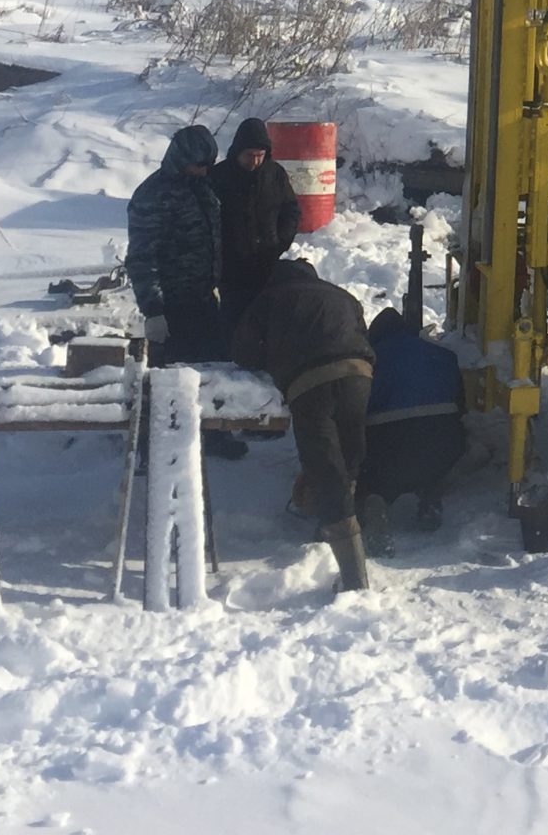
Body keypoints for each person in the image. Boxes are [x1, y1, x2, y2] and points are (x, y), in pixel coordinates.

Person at [232, 257, 376, 591]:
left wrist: (276, 354)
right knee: (349, 455)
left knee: (324, 465)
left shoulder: (269, 299)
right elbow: (363, 334)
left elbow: (243, 351)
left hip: (310, 384)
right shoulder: (341, 295)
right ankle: (341, 521)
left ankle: (354, 578)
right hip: (358, 376)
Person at [126, 124, 249, 461]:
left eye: (207, 165)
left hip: (203, 298)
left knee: (213, 370)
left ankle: (214, 434)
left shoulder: (201, 186)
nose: (204, 170)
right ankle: (157, 448)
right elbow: (141, 257)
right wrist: (153, 310)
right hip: (172, 304)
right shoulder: (153, 195)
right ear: (182, 160)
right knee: (170, 379)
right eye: (199, 164)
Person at [360, 306, 465, 540]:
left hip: (391, 442)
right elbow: (461, 403)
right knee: (434, 466)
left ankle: (377, 499)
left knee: (373, 472)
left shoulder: (372, 361)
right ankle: (431, 498)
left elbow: (360, 409)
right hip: (444, 441)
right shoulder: (442, 354)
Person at [212, 116, 300, 344]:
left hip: (266, 263)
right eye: (249, 156)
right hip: (231, 267)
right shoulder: (219, 176)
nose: (255, 161)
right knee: (233, 324)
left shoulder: (275, 174)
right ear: (238, 151)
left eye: (260, 156)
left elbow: (291, 210)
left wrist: (281, 241)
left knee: (265, 324)